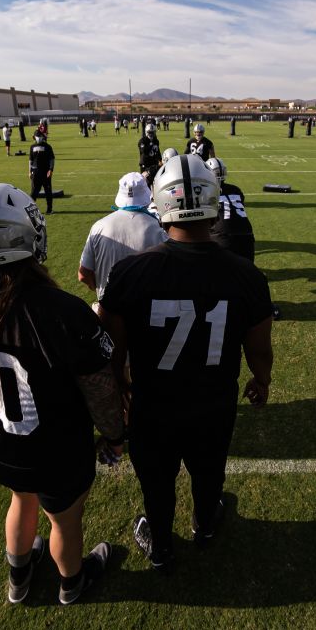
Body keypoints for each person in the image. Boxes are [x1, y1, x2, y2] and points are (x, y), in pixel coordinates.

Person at [0, 183, 125, 606]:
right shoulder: (60, 311)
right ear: (20, 235)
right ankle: (72, 583)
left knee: (21, 499)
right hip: (55, 450)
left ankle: (18, 579)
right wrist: (113, 433)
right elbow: (99, 385)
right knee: (64, 520)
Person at [100, 154, 274, 573]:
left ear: (161, 204)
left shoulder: (130, 272)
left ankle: (161, 546)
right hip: (213, 402)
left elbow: (111, 350)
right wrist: (262, 379)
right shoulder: (246, 275)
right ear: (213, 202)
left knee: (156, 483)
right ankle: (205, 525)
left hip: (153, 405)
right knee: (209, 470)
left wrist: (119, 385)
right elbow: (259, 348)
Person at [79, 172, 167, 305]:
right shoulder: (159, 229)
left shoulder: (98, 227)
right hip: (146, 312)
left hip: (108, 311)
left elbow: (83, 274)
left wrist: (100, 288)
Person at [206, 157, 255, 262]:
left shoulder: (207, 192)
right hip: (247, 235)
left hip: (223, 237)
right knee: (246, 272)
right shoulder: (236, 189)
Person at [28, 132, 56, 214]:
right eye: (37, 136)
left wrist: (51, 169)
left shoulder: (47, 146)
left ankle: (49, 209)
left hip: (45, 172)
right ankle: (31, 211)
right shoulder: (32, 147)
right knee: (34, 192)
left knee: (48, 191)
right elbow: (30, 160)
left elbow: (52, 159)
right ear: (34, 137)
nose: (39, 138)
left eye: (40, 136)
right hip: (35, 172)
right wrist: (29, 171)